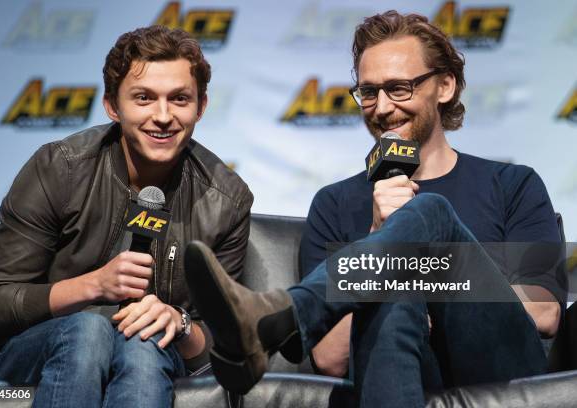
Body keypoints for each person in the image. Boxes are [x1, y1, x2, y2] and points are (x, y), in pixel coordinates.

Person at [182, 11, 565, 408]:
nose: (381, 108)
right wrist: (377, 234)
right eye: (368, 92)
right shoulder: (334, 204)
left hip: (502, 369)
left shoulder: (511, 184)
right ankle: (286, 317)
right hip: (400, 371)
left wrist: (424, 279)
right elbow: (330, 357)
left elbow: (542, 310)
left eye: (399, 88)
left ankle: (284, 317)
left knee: (429, 215)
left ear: (445, 86)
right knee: (393, 292)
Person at [0, 26, 253, 408]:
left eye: (179, 99)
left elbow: (226, 347)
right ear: (112, 106)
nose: (163, 116)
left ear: (200, 106)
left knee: (143, 342)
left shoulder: (227, 200)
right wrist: (93, 286)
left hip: (148, 356)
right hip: (26, 355)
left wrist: (179, 324)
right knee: (88, 331)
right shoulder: (60, 168)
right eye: (144, 98)